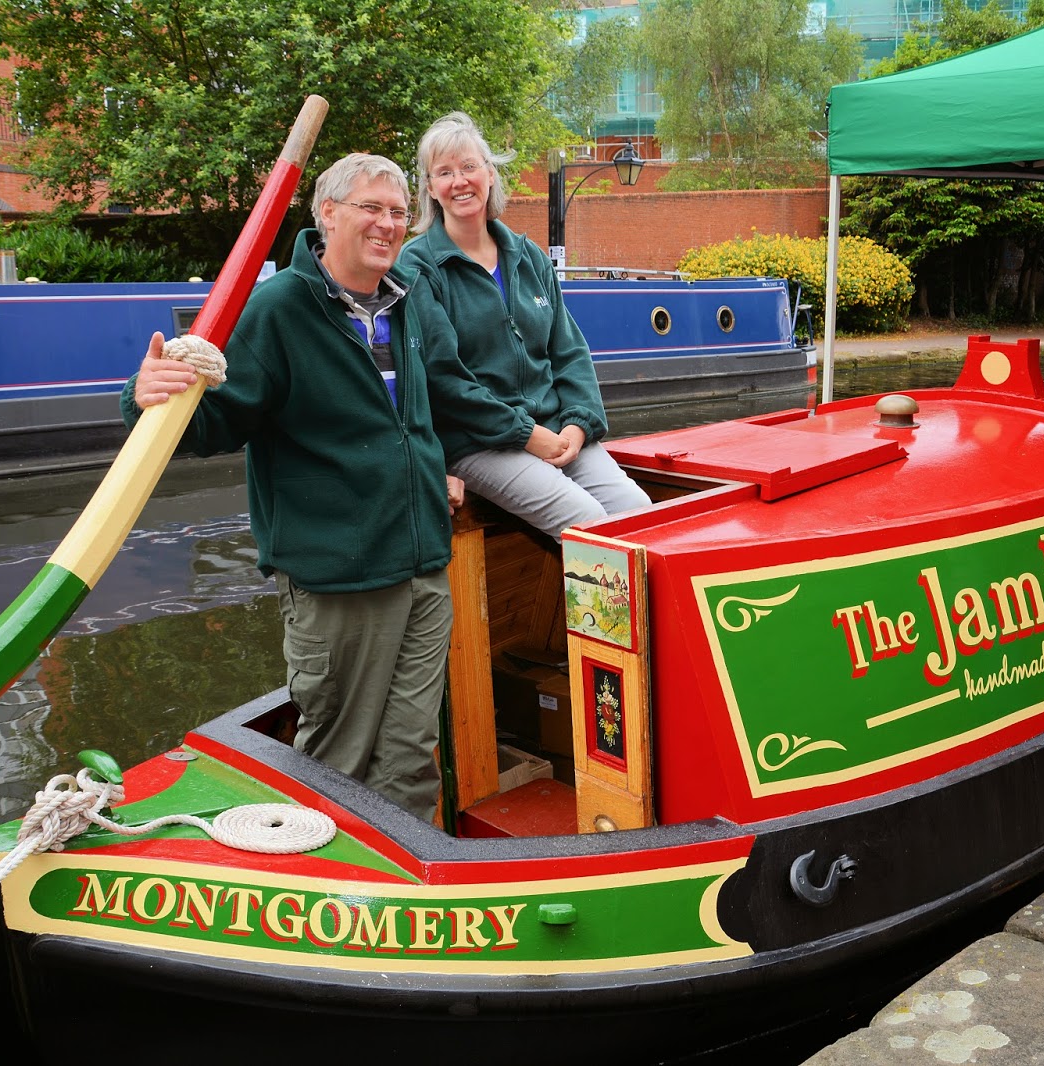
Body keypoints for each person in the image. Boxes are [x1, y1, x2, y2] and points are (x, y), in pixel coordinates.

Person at [123, 153, 461, 823]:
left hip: (424, 565)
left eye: (398, 213)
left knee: (410, 754)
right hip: (341, 579)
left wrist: (440, 471)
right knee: (337, 762)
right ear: (327, 213)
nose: (388, 225)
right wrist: (145, 399)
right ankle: (333, 903)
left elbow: (417, 417)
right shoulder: (279, 309)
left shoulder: (404, 301)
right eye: (371, 208)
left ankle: (400, 910)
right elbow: (217, 421)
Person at [400, 111, 651, 541]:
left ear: (490, 174)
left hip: (555, 428)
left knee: (639, 512)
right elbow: (444, 380)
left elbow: (569, 352)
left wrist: (577, 424)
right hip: (479, 441)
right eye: (444, 172)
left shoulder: (527, 255)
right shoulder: (419, 266)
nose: (459, 181)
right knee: (587, 525)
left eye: (469, 167)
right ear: (429, 189)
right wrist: (526, 434)